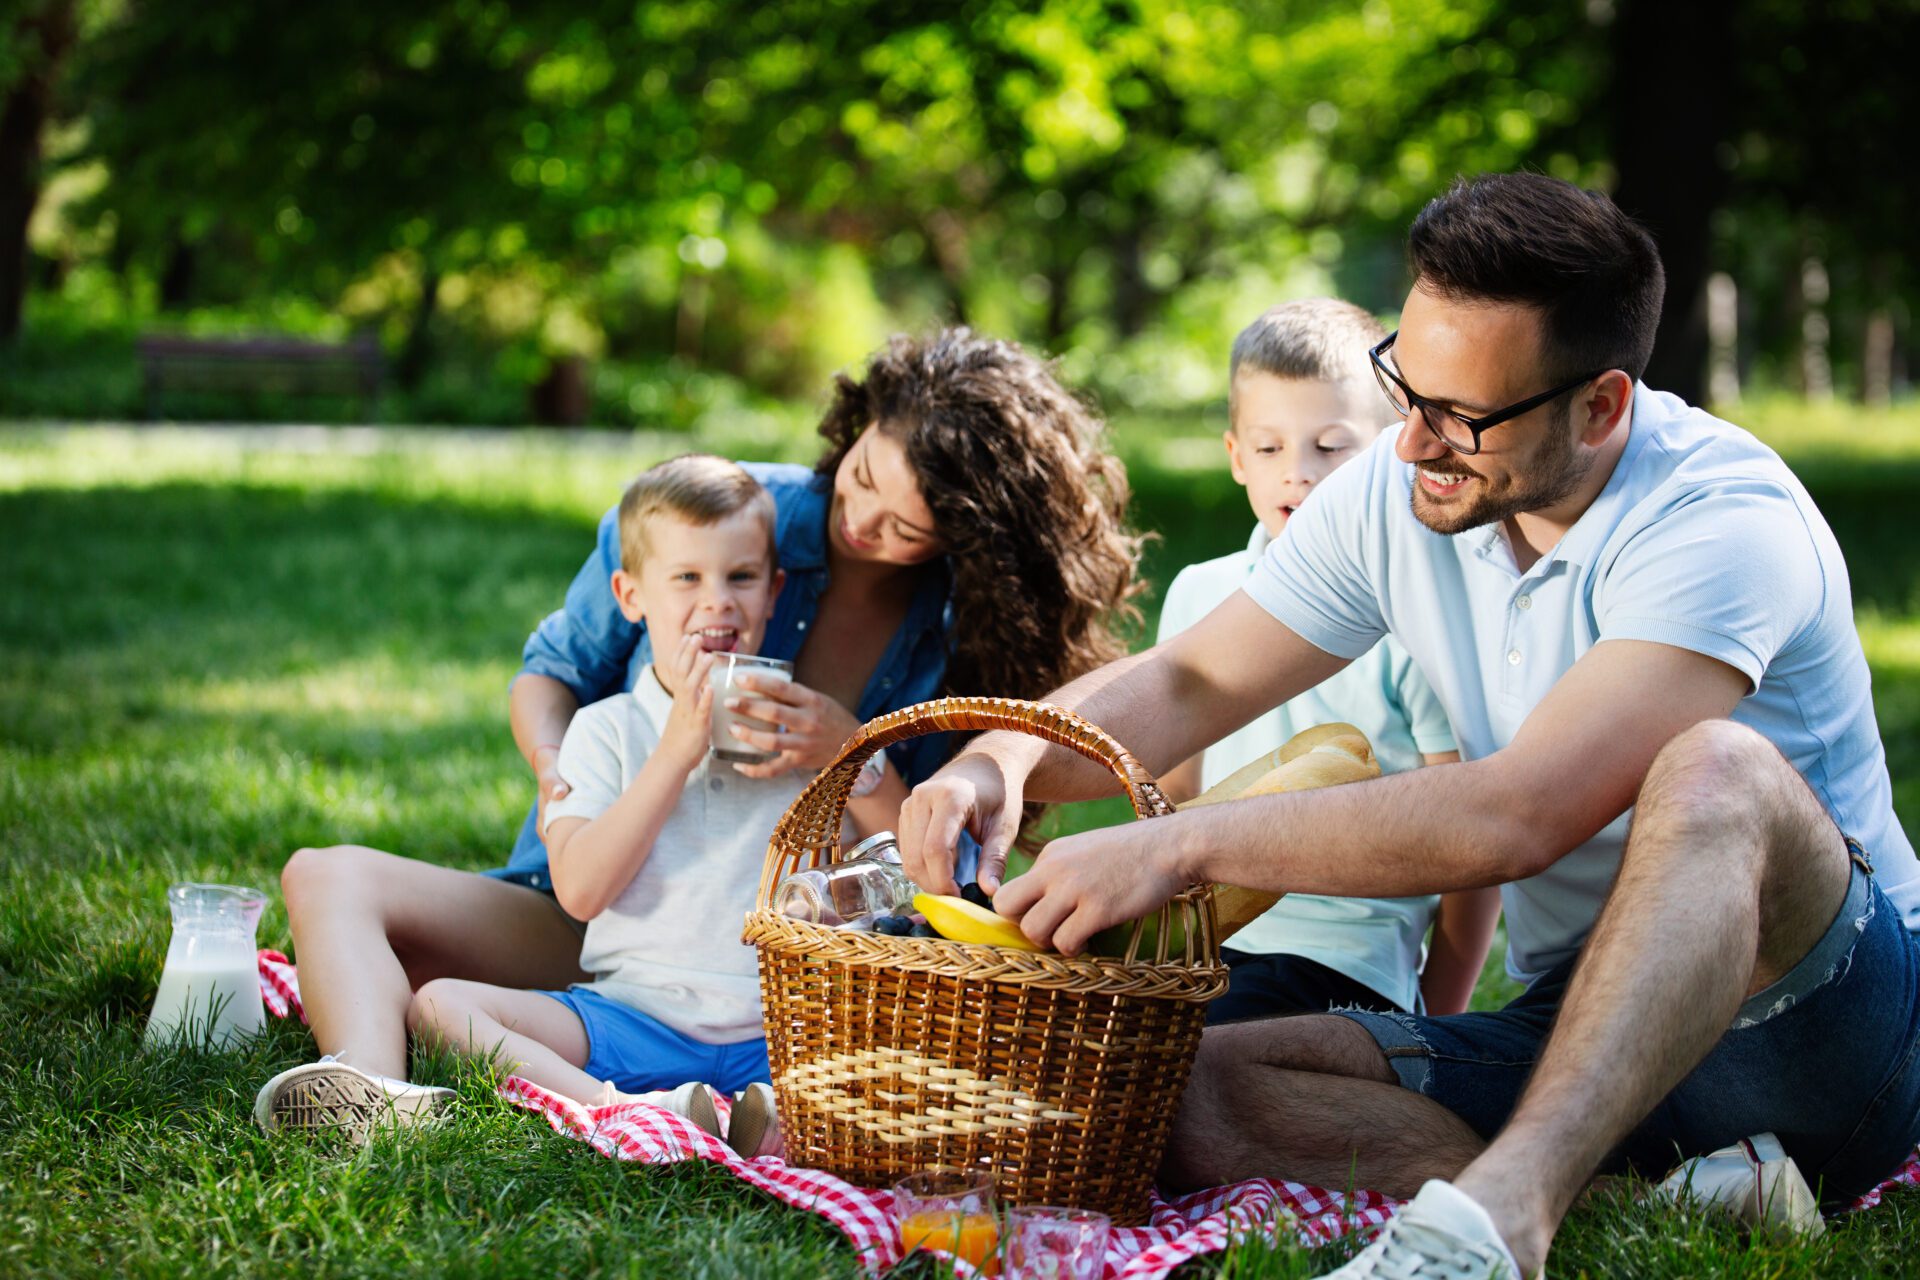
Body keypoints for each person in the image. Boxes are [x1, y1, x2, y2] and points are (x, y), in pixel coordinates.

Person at [896, 174, 1920, 1279]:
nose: (1413, 443)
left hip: (1820, 1025)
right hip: (1576, 1025)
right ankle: (1666, 1193)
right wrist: (1002, 750)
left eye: (1464, 416)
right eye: (1405, 386)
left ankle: (1504, 1222)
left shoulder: (1721, 522)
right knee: (1162, 1087)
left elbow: (1518, 812)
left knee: (1719, 767)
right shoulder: (1409, 485)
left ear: (1602, 406)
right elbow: (1193, 674)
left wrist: (1177, 841)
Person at [254, 329, 1144, 1138]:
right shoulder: (719, 516)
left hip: (773, 966)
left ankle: (662, 1107)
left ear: (969, 540)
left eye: (907, 526)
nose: (860, 520)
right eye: (863, 475)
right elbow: (551, 682)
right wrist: (568, 784)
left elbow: (929, 860)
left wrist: (850, 747)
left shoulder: (970, 626)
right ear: (857, 427)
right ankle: (368, 1089)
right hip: (602, 916)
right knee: (329, 883)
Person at [406, 457, 883, 1156]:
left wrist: (854, 752)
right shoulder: (606, 729)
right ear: (631, 596)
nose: (717, 601)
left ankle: (773, 1115)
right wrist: (676, 752)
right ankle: (631, 1110)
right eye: (687, 577)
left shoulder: (809, 732)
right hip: (632, 1016)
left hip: (776, 1030)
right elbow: (581, 887)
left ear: (775, 591)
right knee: (441, 1006)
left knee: (916, 1052)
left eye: (740, 577)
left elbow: (906, 872)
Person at [1157, 298, 1496, 1023]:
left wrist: (1432, 1023)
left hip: (1341, 963)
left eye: (1330, 447)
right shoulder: (1200, 592)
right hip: (1199, 944)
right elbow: (1168, 795)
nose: (1298, 475)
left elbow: (1472, 848)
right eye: (1271, 448)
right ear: (1236, 456)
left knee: (1206, 1067)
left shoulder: (1418, 619)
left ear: (1386, 452)